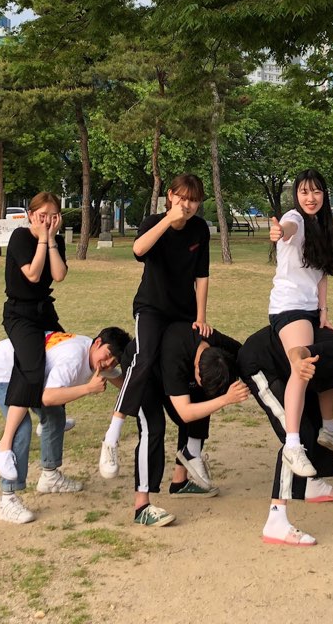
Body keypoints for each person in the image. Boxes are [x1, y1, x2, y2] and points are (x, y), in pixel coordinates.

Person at [100, 174, 210, 479]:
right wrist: (168, 220)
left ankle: (189, 458)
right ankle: (112, 435)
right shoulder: (153, 222)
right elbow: (138, 250)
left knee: (196, 370)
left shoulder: (200, 229)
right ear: (170, 196)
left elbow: (202, 276)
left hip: (183, 313)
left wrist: (201, 317)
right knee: (144, 356)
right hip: (151, 308)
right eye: (182, 198)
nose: (187, 205)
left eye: (193, 200)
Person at [238, 325, 333, 546]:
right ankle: (276, 520)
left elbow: (327, 385)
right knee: (294, 435)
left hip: (282, 368)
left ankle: (310, 485)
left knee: (313, 422)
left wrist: (329, 425)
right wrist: (296, 358)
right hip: (260, 364)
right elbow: (300, 352)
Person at [0, 327, 131, 523]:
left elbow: (120, 379)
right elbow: (48, 397)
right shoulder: (73, 359)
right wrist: (88, 388)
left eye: (114, 361)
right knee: (21, 428)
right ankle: (7, 498)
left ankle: (50, 477)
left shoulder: (93, 353)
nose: (108, 363)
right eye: (108, 355)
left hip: (28, 374)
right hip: (4, 372)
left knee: (55, 415)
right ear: (97, 343)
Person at [123, 322, 249, 527]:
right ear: (196, 367)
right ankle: (142, 507)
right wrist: (226, 399)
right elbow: (185, 413)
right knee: (153, 428)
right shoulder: (176, 356)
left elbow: (247, 355)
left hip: (167, 368)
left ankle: (179, 482)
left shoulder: (218, 345)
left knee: (202, 399)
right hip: (143, 370)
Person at [268, 169, 333, 480]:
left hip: (312, 309)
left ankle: (328, 427)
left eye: (316, 192)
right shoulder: (295, 219)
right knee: (301, 366)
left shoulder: (321, 225)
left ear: (324, 194)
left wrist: (324, 311)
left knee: (331, 354)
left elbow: (322, 274)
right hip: (290, 308)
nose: (310, 198)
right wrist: (279, 231)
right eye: (304, 192)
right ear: (296, 196)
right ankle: (292, 445)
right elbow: (288, 229)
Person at [0, 192, 67, 482]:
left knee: (65, 353)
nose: (47, 220)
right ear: (31, 215)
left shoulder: (56, 240)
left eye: (52, 215)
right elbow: (33, 275)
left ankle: (48, 420)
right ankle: (4, 444)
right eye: (42, 215)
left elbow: (58, 275)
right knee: (32, 367)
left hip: (44, 311)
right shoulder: (20, 237)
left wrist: (51, 240)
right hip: (19, 314)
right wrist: (43, 240)